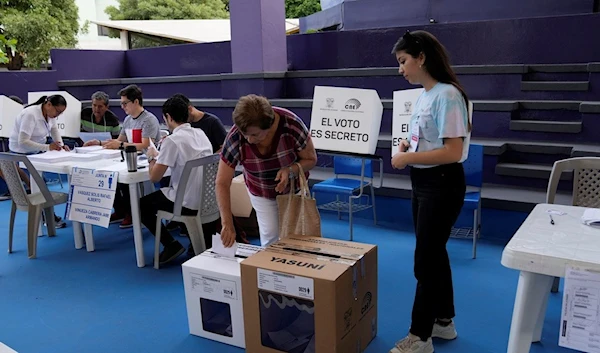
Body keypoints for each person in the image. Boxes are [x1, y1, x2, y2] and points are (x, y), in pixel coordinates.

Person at [387, 30, 470, 353]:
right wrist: (409, 145)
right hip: (423, 182)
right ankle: (444, 322)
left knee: (426, 260)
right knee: (434, 254)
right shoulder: (425, 95)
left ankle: (419, 336)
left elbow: (452, 151)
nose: (401, 68)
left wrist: (407, 157)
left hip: (443, 182)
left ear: (422, 58)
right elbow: (429, 138)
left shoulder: (448, 95)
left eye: (403, 61)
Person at [216, 94, 318, 248]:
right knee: (270, 238)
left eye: (255, 134)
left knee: (297, 240)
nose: (249, 140)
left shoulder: (291, 124)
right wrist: (227, 223)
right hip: (261, 192)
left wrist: (291, 170)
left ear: (269, 125)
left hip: (293, 191)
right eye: (245, 134)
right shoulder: (236, 136)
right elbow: (222, 182)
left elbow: (311, 159)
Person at [139, 96, 213, 265]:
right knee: (167, 194)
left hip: (186, 203)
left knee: (142, 204)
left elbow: (154, 177)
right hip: (207, 199)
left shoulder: (172, 141)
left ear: (168, 117)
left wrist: (152, 156)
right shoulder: (200, 133)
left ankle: (171, 245)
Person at [92, 84, 161, 228]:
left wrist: (120, 146)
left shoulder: (149, 120)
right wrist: (99, 143)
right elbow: (120, 140)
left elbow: (145, 145)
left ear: (136, 102)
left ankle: (131, 212)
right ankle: (122, 210)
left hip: (146, 161)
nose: (122, 107)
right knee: (111, 176)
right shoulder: (129, 119)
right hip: (131, 158)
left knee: (124, 180)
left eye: (125, 103)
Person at [164, 93, 227, 237]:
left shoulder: (210, 123)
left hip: (205, 176)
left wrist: (209, 159)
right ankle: (182, 223)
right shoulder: (195, 131)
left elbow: (224, 148)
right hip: (200, 182)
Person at [8, 95, 70, 228]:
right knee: (39, 184)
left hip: (35, 151)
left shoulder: (49, 114)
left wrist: (61, 144)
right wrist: (48, 147)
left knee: (40, 183)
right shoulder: (30, 114)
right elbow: (23, 141)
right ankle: (47, 216)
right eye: (57, 112)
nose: (57, 115)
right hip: (20, 153)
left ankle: (46, 215)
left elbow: (54, 130)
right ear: (48, 105)